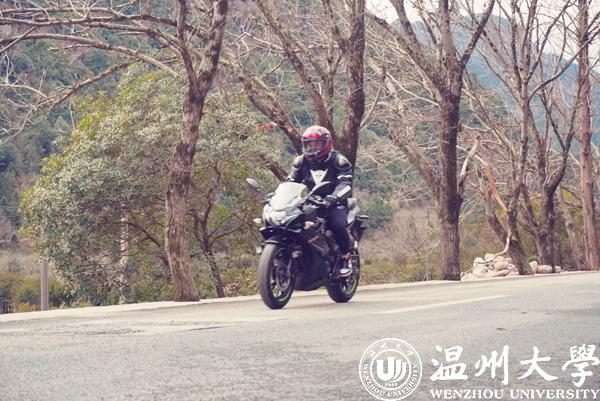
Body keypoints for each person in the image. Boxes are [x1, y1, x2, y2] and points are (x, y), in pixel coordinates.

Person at [288, 125, 353, 277]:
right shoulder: (301, 162)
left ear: (326, 143)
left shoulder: (339, 161)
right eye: (309, 144)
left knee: (338, 225)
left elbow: (345, 183)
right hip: (308, 202)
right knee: (290, 222)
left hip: (334, 203)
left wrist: (335, 196)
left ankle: (345, 258)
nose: (312, 147)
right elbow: (290, 182)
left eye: (316, 143)